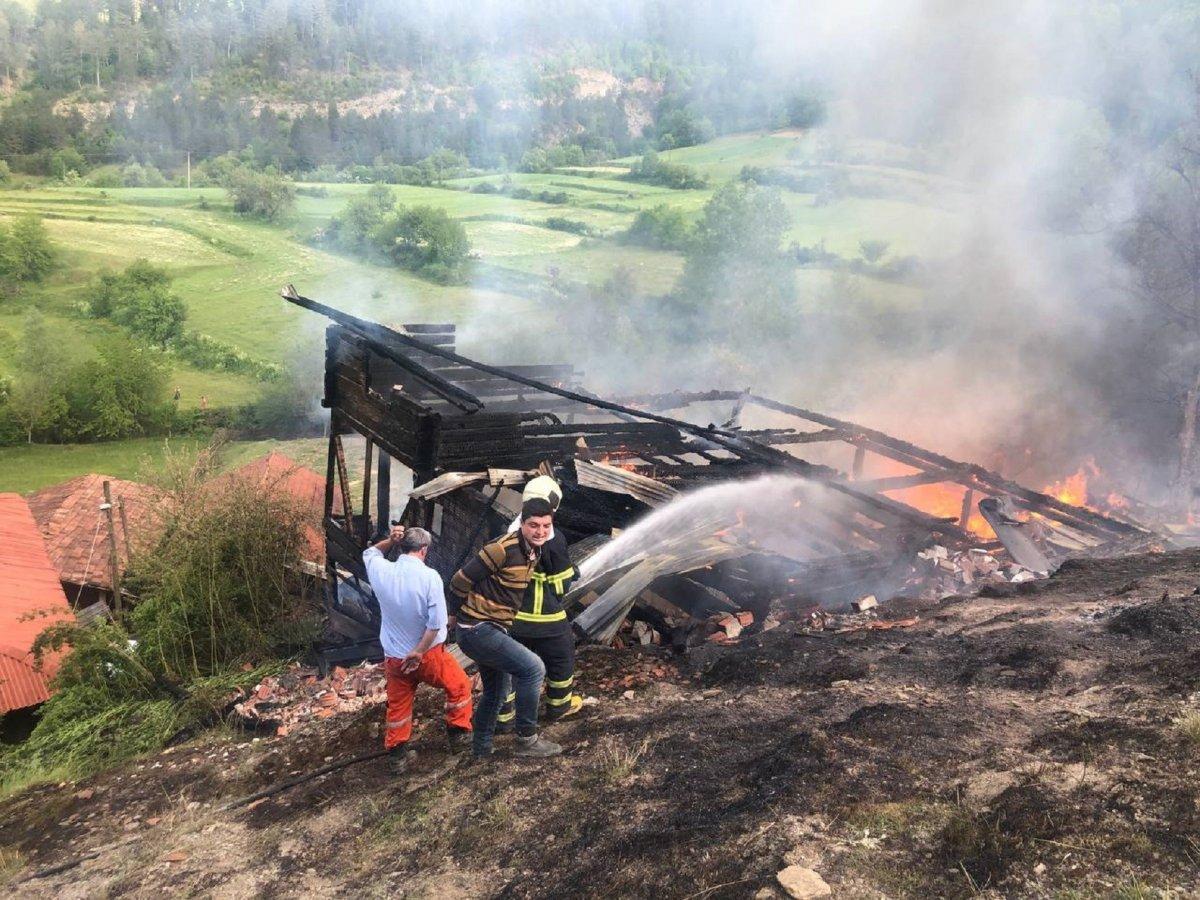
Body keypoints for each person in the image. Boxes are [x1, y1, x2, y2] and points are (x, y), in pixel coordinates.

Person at [450, 499, 563, 760]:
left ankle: (481, 750)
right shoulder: (501, 549)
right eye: (533, 525)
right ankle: (526, 739)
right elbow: (460, 580)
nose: (540, 531)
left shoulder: (534, 552)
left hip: (493, 628)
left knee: (498, 690)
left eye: (545, 526)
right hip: (477, 628)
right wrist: (453, 614)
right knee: (533, 668)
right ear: (522, 523)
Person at [364, 525, 472, 775]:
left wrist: (390, 540)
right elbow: (436, 624)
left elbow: (370, 553)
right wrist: (419, 651)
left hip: (394, 658)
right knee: (459, 686)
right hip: (428, 656)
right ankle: (459, 736)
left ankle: (398, 757)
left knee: (398, 705)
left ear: (401, 546)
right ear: (424, 550)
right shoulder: (429, 577)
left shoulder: (381, 570)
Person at [496, 477, 582, 732]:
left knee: (511, 668)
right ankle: (558, 707)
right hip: (547, 619)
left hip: (513, 619)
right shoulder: (554, 539)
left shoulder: (508, 533)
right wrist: (571, 573)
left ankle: (503, 718)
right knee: (562, 659)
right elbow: (560, 585)